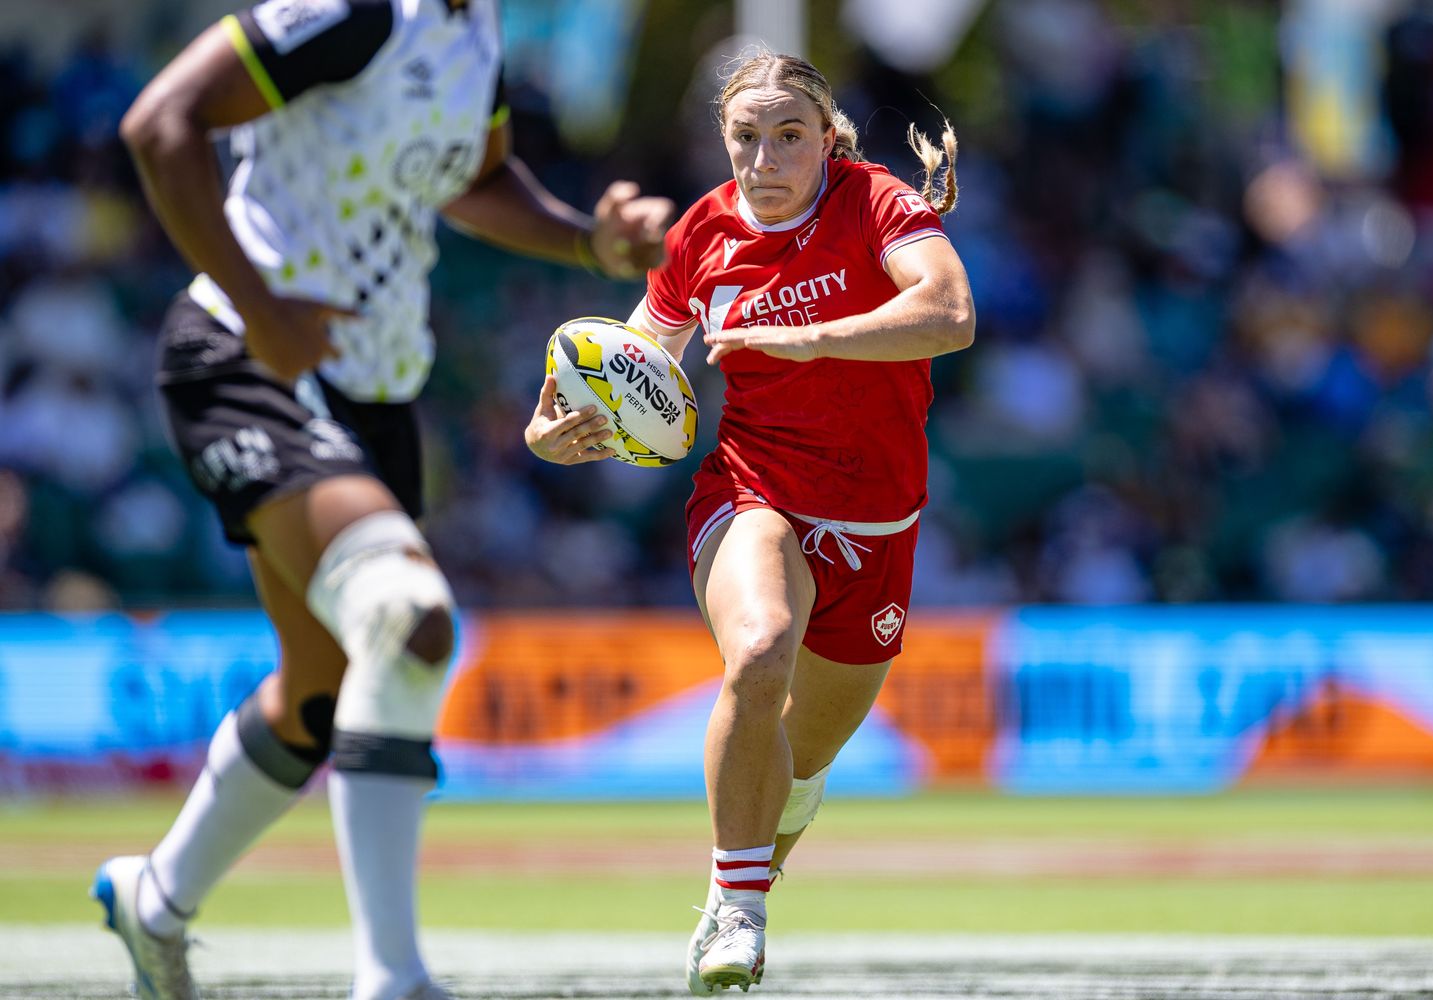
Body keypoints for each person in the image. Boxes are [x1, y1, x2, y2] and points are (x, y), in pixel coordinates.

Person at [93, 2, 670, 998]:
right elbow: (160, 123)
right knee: (407, 619)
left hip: (375, 390)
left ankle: (155, 899)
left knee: (318, 698)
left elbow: (474, 183)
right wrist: (261, 309)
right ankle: (394, 978)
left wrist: (593, 246)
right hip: (253, 357)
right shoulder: (356, 10)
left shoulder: (477, 28)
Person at [527, 50, 974, 994]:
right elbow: (631, 361)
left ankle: (740, 883)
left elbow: (949, 312)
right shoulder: (701, 233)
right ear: (723, 140)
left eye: (789, 136)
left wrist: (806, 339)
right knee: (762, 646)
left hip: (879, 526)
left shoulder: (876, 202)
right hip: (751, 491)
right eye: (745, 137)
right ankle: (738, 910)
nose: (765, 159)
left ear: (827, 139)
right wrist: (557, 425)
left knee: (801, 767)